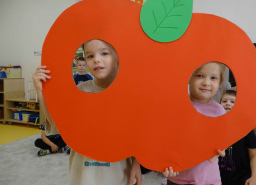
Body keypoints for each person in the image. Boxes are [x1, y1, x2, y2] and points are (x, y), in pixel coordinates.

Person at [32, 39, 142, 185]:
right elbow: (57, 124)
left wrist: (137, 163)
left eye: (104, 53)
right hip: (84, 169)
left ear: (118, 58)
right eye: (90, 56)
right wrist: (41, 92)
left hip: (118, 170)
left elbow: (138, 134)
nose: (96, 59)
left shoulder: (130, 93)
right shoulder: (80, 90)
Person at [163, 62, 227, 185]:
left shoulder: (219, 111)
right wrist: (166, 163)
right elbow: (166, 140)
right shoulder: (176, 107)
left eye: (213, 78)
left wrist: (223, 147)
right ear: (188, 77)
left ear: (220, 82)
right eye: (200, 76)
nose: (206, 83)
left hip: (209, 179)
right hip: (178, 178)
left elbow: (223, 139)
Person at [219, 90, 256, 185]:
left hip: (242, 177)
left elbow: (254, 156)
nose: (228, 103)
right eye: (224, 101)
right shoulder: (215, 126)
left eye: (232, 101)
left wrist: (255, 177)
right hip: (219, 177)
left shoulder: (245, 128)